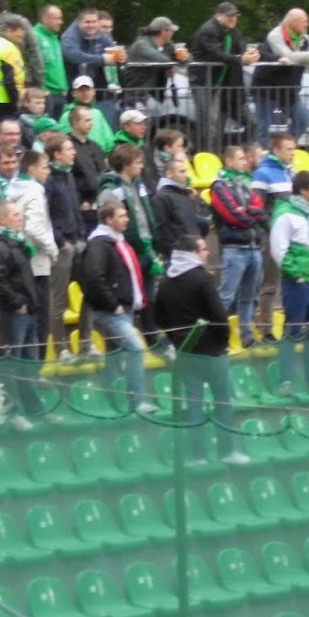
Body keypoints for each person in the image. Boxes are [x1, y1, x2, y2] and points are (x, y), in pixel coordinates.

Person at [153, 234, 244, 463]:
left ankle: (198, 455)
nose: (208, 253)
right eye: (203, 249)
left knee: (194, 406)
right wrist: (222, 340)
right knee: (222, 403)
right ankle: (227, 451)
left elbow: (158, 317)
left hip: (185, 352)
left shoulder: (165, 281)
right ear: (193, 253)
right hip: (212, 353)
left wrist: (176, 339)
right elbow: (219, 316)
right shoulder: (203, 279)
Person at [79, 191, 153, 413]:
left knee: (114, 355)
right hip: (112, 311)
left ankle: (111, 400)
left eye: (126, 215)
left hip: (125, 308)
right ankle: (137, 400)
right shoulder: (98, 245)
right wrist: (113, 304)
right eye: (121, 216)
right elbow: (94, 278)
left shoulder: (118, 242)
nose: (127, 219)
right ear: (109, 219)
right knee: (136, 348)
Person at [99, 141, 169, 357]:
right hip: (127, 253)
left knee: (150, 298)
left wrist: (155, 244)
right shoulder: (111, 191)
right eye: (138, 162)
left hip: (146, 250)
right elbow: (106, 223)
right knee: (128, 300)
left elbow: (145, 217)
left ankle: (153, 339)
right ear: (126, 164)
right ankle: (121, 348)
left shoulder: (139, 185)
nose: (142, 166)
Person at [269, 171, 309, 393]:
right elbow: (279, 249)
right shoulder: (285, 214)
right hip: (299, 282)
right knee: (293, 329)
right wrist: (297, 275)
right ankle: (286, 380)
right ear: (303, 191)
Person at [0, 200, 45, 431]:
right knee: (12, 363)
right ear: (2, 219)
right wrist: (17, 302)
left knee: (29, 362)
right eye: (16, 215)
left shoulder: (16, 243)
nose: (20, 218)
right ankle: (14, 412)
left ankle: (34, 409)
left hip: (28, 309)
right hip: (14, 312)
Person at [208, 144, 266, 349]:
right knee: (226, 296)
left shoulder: (246, 184)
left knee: (249, 297)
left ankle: (247, 337)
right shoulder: (219, 186)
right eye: (240, 158)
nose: (245, 162)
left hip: (253, 247)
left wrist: (247, 210)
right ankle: (216, 338)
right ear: (229, 161)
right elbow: (232, 215)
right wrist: (251, 216)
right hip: (234, 249)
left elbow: (261, 210)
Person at [251, 8, 309, 142]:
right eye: (304, 21)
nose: (307, 24)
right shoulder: (275, 36)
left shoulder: (304, 37)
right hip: (266, 89)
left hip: (288, 90)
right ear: (292, 22)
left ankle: (283, 147)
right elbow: (289, 56)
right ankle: (264, 153)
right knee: (264, 128)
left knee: (303, 120)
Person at [4, 149, 58, 358]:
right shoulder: (35, 192)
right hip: (37, 265)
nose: (48, 171)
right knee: (39, 322)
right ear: (32, 168)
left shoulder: (11, 189)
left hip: (20, 263)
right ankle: (36, 367)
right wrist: (52, 250)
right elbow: (34, 228)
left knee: (25, 323)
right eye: (45, 167)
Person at [42, 132, 87, 360]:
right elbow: (46, 217)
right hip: (62, 247)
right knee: (58, 301)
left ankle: (86, 344)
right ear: (57, 154)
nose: (74, 153)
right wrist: (62, 241)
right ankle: (61, 348)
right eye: (69, 149)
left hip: (79, 242)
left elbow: (75, 209)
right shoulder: (48, 181)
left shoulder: (69, 176)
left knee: (91, 292)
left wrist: (82, 234)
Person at [190, 2, 259, 144]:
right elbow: (216, 54)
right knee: (207, 121)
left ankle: (230, 151)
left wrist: (250, 54)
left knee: (221, 123)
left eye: (235, 16)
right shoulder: (208, 30)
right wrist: (240, 59)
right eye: (229, 16)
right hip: (203, 81)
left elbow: (241, 47)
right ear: (218, 16)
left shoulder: (234, 31)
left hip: (223, 83)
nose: (233, 19)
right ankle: (204, 152)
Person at [251, 132, 296, 342]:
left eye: (294, 149)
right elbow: (256, 208)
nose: (293, 153)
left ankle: (291, 327)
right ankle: (266, 328)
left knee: (293, 281)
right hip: (271, 237)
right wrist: (272, 230)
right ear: (276, 150)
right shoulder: (262, 174)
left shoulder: (291, 173)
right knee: (269, 284)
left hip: (292, 237)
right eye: (288, 149)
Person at [151, 154, 209, 260]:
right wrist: (174, 248)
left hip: (194, 252)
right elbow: (161, 228)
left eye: (186, 171)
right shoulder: (161, 197)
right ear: (169, 174)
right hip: (176, 255)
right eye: (181, 172)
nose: (186, 175)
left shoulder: (185, 194)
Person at [121, 16, 179, 101]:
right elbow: (162, 60)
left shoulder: (168, 45)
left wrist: (184, 57)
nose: (173, 33)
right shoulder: (141, 45)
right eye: (171, 31)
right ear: (163, 32)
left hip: (152, 95)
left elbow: (187, 59)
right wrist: (171, 65)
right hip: (134, 95)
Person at [66, 105, 106, 217]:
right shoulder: (67, 147)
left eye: (91, 120)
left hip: (101, 200)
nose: (91, 123)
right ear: (75, 123)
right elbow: (68, 176)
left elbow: (103, 171)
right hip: (83, 205)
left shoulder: (96, 147)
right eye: (87, 120)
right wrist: (81, 201)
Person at [60, 8, 113, 89]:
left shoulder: (100, 34)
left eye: (94, 22)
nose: (91, 25)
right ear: (79, 22)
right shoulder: (70, 36)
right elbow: (72, 55)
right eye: (87, 22)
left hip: (93, 81)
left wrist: (121, 57)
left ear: (98, 23)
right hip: (72, 83)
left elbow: (111, 48)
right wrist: (102, 59)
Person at [59, 76, 115, 151]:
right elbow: (62, 139)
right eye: (81, 90)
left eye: (88, 90)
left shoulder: (97, 114)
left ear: (93, 92)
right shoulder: (67, 116)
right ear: (74, 93)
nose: (85, 93)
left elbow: (108, 139)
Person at [32, 3, 68, 116]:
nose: (61, 22)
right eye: (57, 19)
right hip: (46, 94)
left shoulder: (55, 38)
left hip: (60, 92)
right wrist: (42, 89)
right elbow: (32, 65)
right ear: (45, 19)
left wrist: (64, 87)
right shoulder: (35, 36)